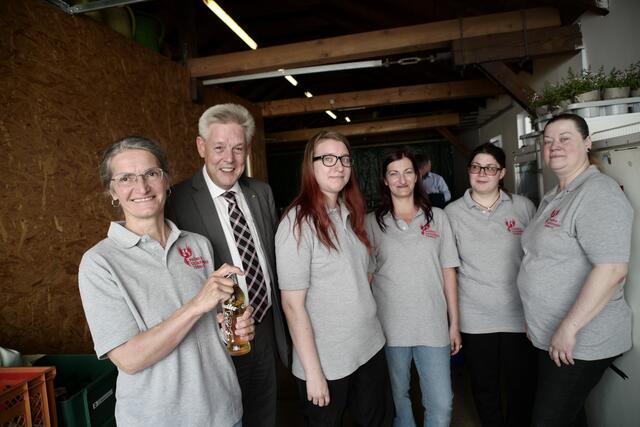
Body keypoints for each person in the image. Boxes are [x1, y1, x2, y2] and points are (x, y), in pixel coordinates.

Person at [78, 136, 254, 426]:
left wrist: (230, 329)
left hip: (225, 412)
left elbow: (211, 327)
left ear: (166, 180)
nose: (142, 187)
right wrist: (196, 305)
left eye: (151, 173)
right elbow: (129, 359)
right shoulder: (100, 263)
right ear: (112, 191)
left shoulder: (198, 244)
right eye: (126, 178)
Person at [165, 103, 289, 427]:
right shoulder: (176, 201)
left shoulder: (261, 192)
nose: (229, 159)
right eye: (219, 147)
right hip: (217, 334)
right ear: (201, 146)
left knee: (264, 413)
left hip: (263, 325)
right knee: (226, 418)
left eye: (237, 148)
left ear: (248, 149)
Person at [517, 113, 633, 427]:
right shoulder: (555, 194)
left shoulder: (598, 193)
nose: (554, 146)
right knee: (568, 415)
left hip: (582, 339)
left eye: (565, 138)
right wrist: (534, 317)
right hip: (550, 333)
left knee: (548, 420)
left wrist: (568, 329)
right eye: (548, 141)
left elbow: (612, 269)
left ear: (587, 143)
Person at [275, 131, 390, 426]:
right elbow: (292, 306)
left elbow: (361, 276)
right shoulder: (297, 224)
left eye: (344, 159)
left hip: (369, 347)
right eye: (327, 158)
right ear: (310, 166)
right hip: (327, 361)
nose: (338, 166)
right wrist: (313, 373)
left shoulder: (351, 212)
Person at [366, 149, 461, 427]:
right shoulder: (372, 222)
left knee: (441, 404)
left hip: (432, 326)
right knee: (398, 402)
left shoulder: (438, 217)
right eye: (394, 173)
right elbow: (366, 278)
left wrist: (454, 323)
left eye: (407, 172)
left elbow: (448, 272)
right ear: (385, 180)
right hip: (389, 329)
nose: (401, 179)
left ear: (417, 176)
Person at [445, 143, 537, 426]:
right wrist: (454, 322)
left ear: (502, 173)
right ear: (469, 171)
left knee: (521, 385)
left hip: (519, 316)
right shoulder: (452, 213)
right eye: (476, 167)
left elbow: (536, 260)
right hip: (475, 318)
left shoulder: (523, 207)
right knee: (485, 387)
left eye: (490, 168)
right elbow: (448, 269)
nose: (482, 173)